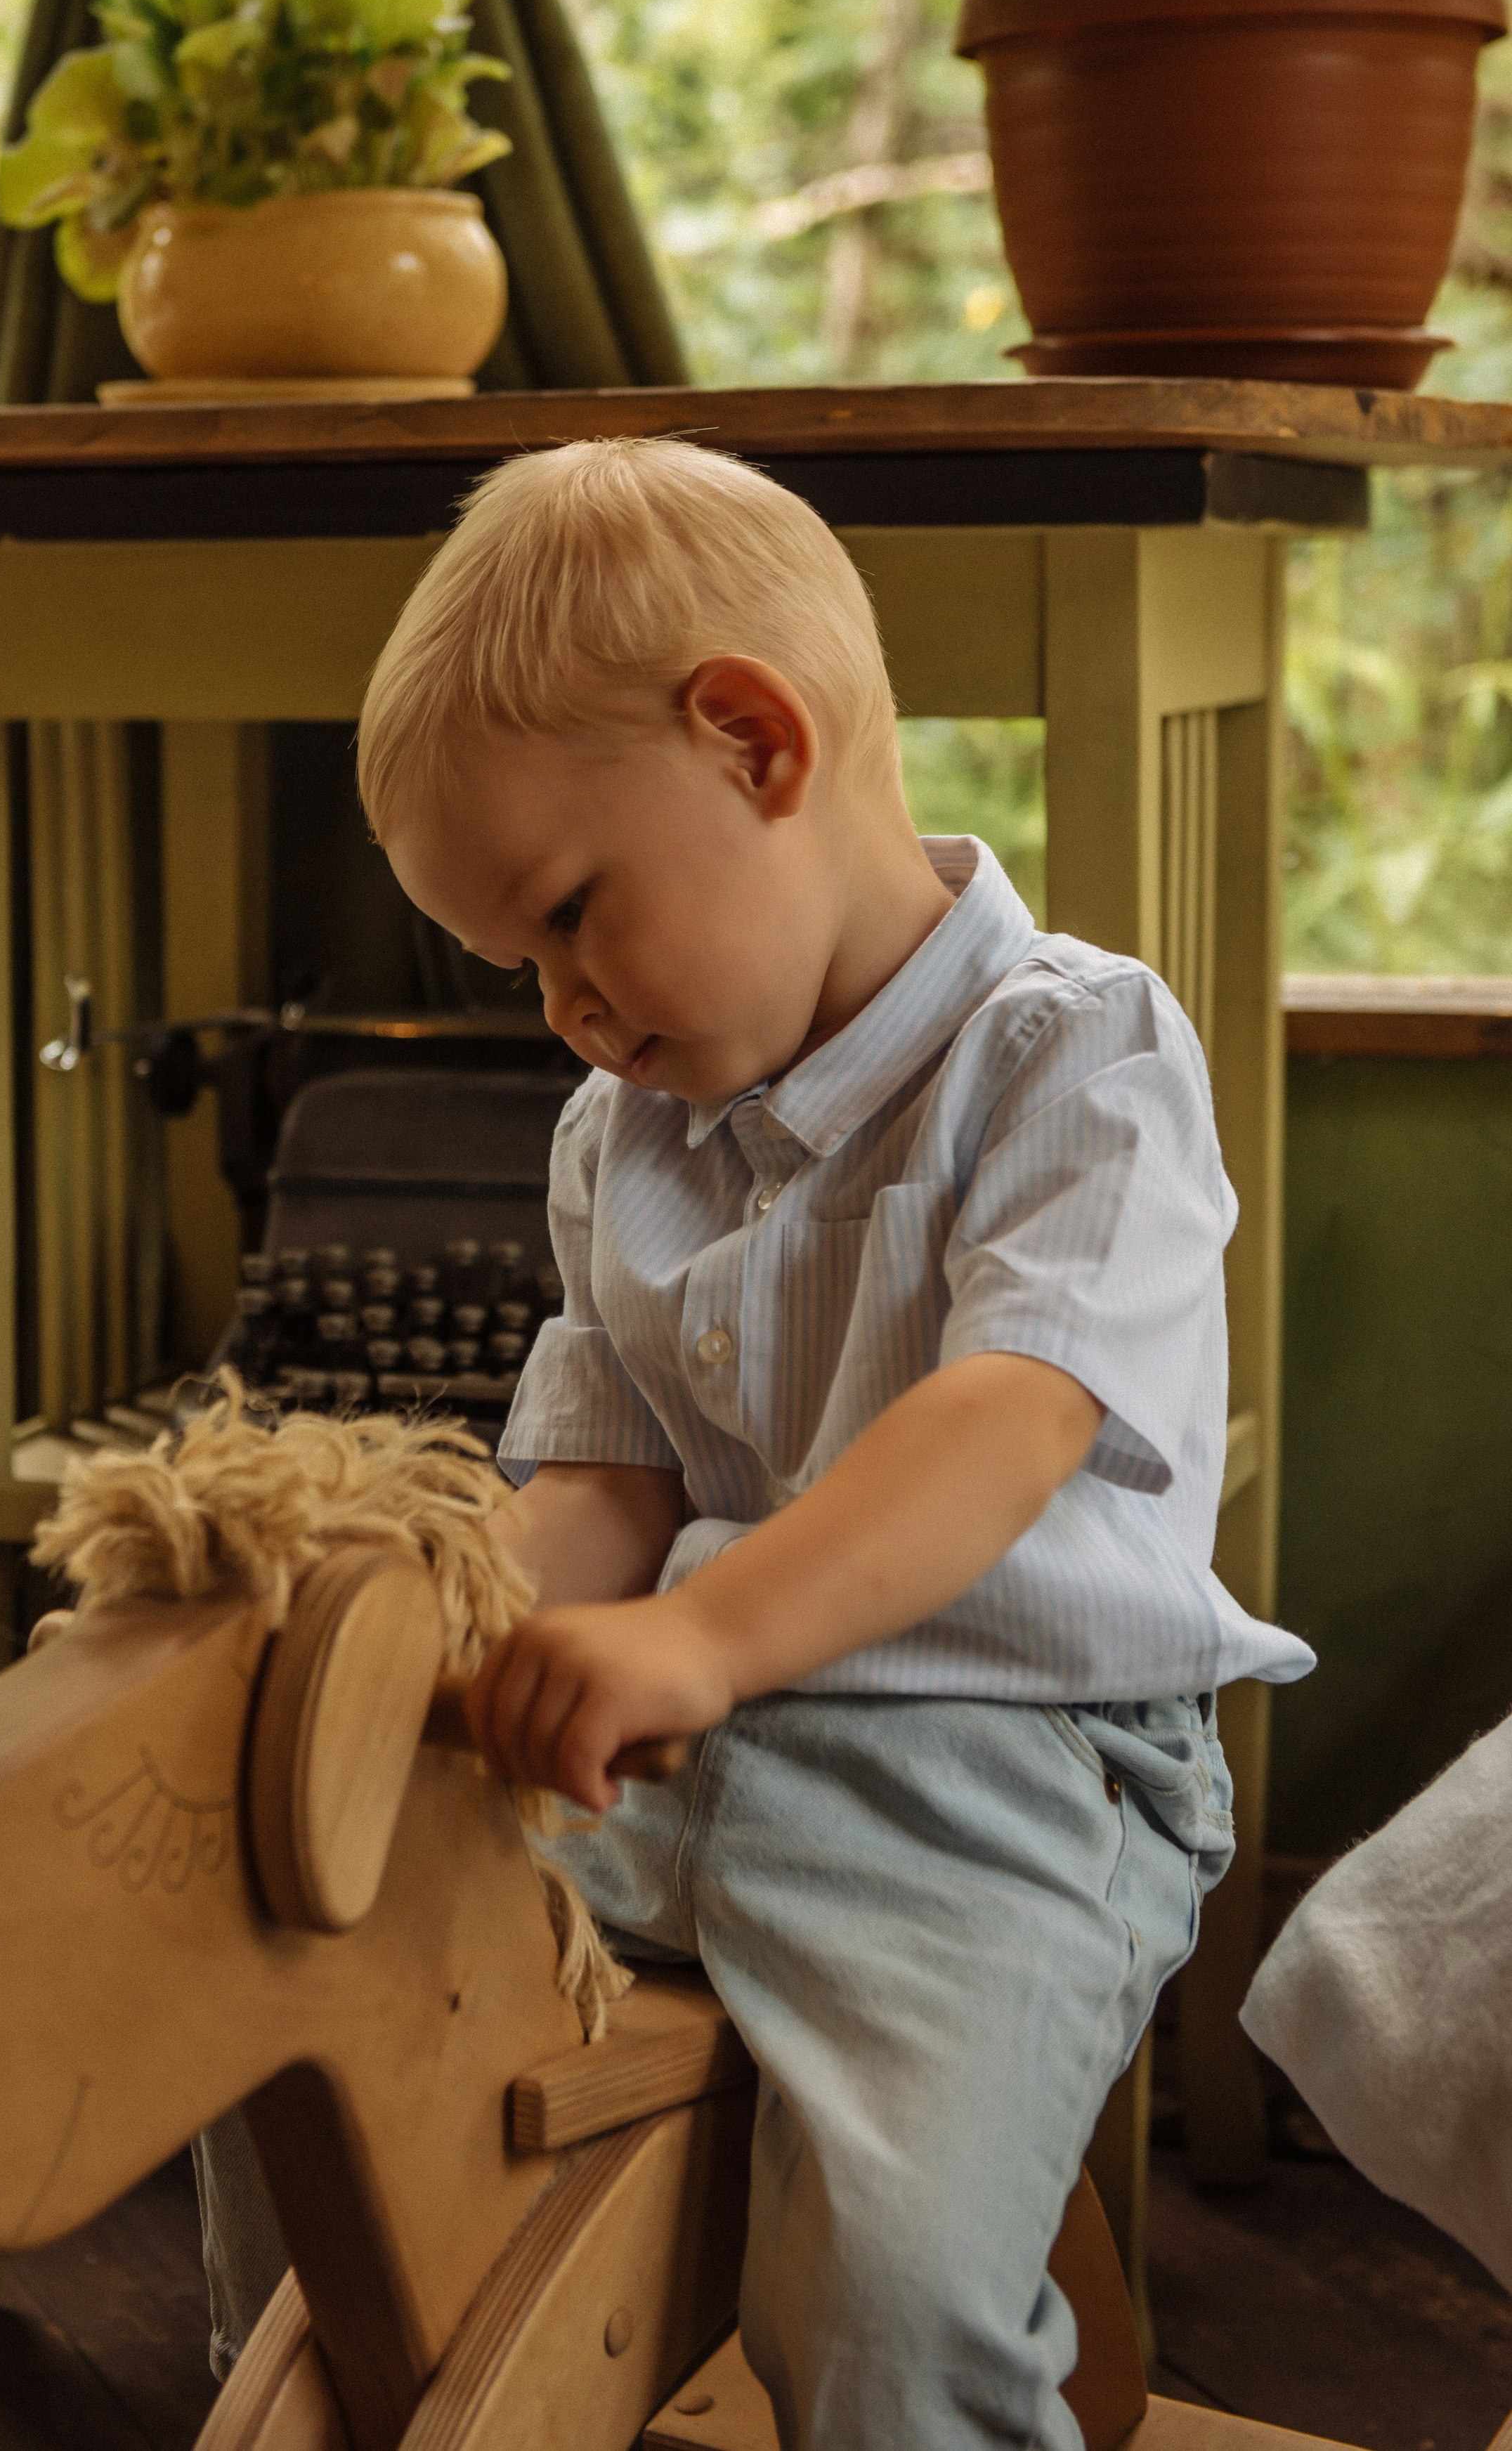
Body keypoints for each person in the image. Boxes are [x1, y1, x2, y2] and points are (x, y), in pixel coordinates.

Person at [355, 435, 1315, 2450]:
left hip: (1000, 1768)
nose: (569, 1010)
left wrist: (703, 1642)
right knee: (324, 1995)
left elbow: (1006, 1422)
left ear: (754, 744)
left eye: (569, 916)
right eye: (522, 966)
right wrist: (445, 1666)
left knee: (883, 2306)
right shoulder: (620, 1135)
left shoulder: (1078, 1053)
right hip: (697, 1746)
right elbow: (606, 1478)